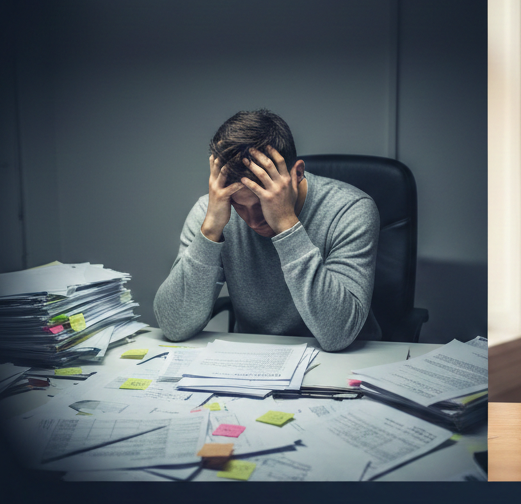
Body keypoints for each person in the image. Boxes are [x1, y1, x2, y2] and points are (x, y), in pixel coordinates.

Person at [154, 109, 380, 349]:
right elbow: (174, 326)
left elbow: (338, 335)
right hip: (256, 361)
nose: (252, 220)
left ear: (298, 174)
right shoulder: (213, 212)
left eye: (264, 204)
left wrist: (286, 225)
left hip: (345, 364)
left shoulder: (351, 210)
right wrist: (210, 232)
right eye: (239, 205)